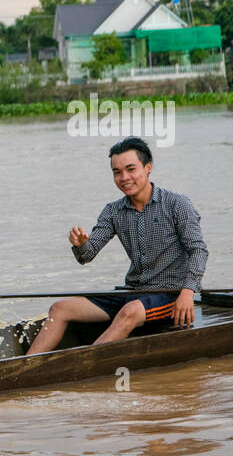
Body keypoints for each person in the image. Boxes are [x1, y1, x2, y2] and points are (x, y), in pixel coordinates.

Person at [25, 137, 208, 355]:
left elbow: (198, 250)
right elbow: (86, 255)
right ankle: (24, 365)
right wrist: (81, 244)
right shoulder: (113, 211)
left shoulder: (177, 204)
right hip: (131, 292)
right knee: (60, 308)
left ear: (148, 168)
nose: (124, 178)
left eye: (131, 169)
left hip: (171, 293)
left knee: (129, 311)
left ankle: (83, 364)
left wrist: (187, 292)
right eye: (117, 172)